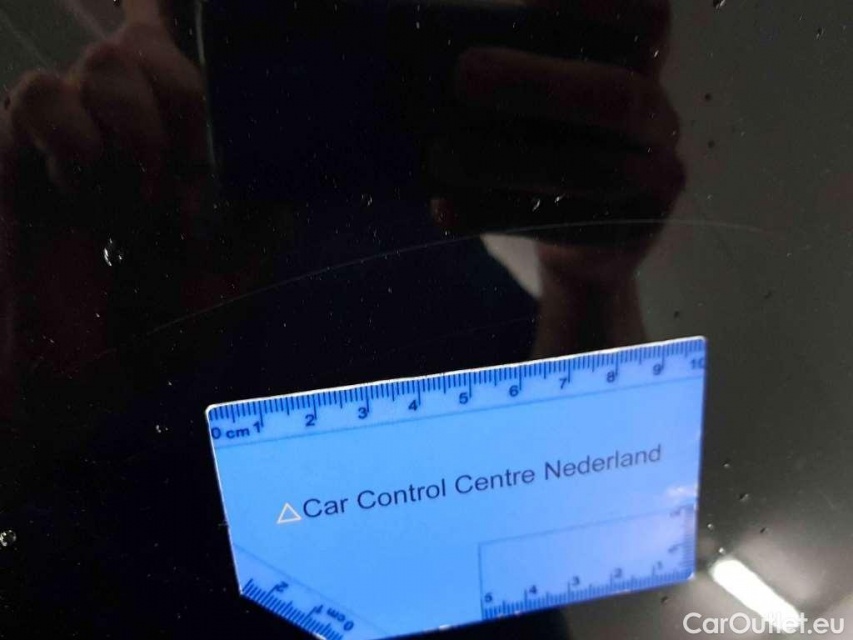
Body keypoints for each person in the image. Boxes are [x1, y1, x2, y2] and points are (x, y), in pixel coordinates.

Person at [0, 0, 683, 637]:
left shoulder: (423, 237)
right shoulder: (52, 227)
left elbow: (592, 510)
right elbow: (588, 519)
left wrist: (589, 278)